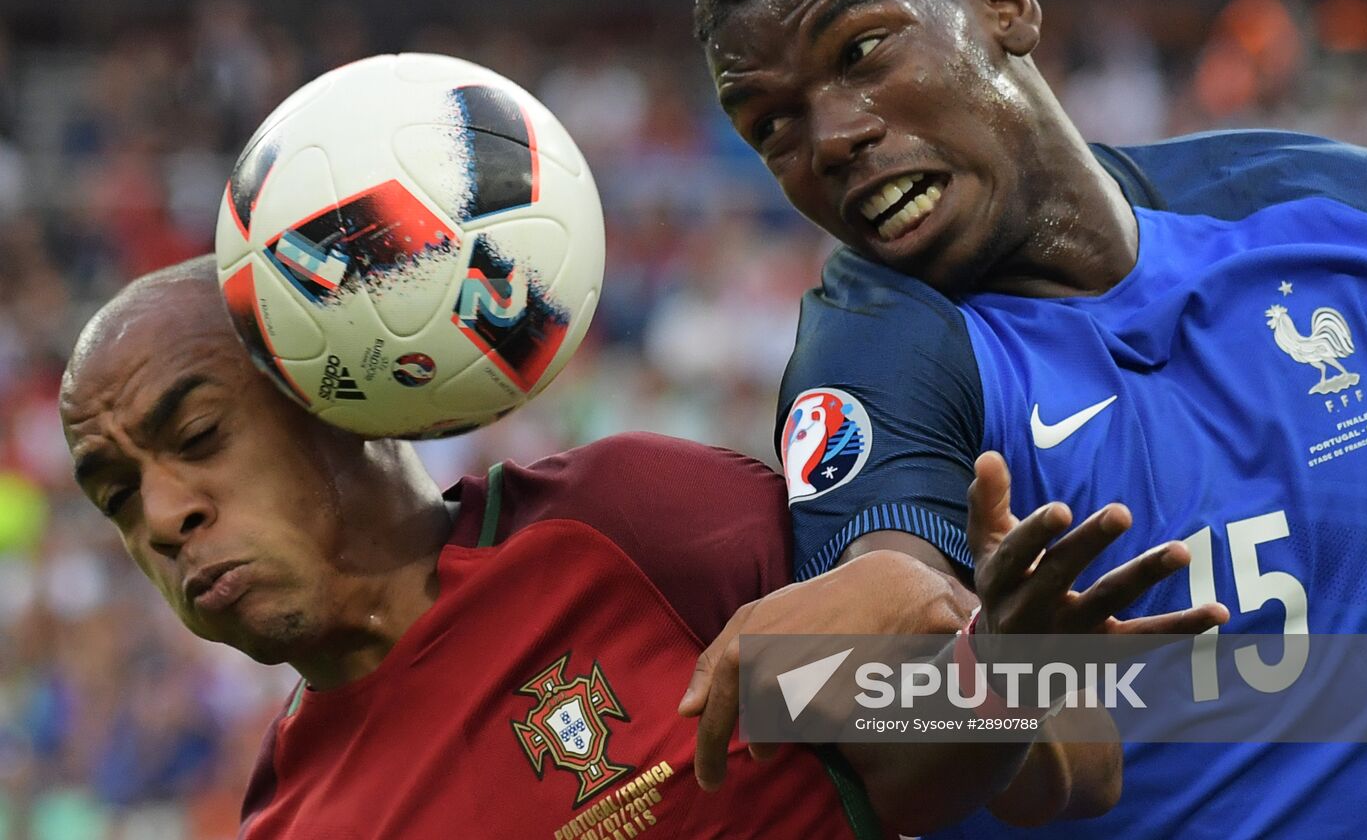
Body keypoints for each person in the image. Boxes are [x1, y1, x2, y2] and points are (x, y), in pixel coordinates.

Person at [694, 0, 1367, 840]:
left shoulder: (1332, 210)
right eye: (773, 126)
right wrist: (1000, 672)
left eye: (861, 51)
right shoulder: (879, 351)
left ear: (1001, 7)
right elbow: (853, 709)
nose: (834, 136)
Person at [59, 256, 1217, 837]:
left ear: (329, 392)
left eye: (196, 438)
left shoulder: (632, 529)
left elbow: (1050, 761)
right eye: (116, 493)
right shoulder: (297, 822)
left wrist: (1005, 672)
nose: (161, 516)